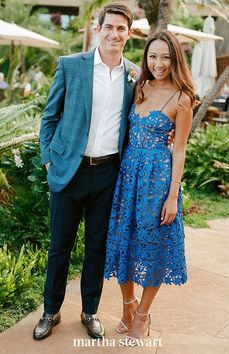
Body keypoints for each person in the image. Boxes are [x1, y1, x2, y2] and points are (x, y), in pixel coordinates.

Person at [33, 3, 173, 341]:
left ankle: (90, 311)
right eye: (109, 27)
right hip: (70, 170)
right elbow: (49, 118)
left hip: (109, 173)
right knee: (60, 246)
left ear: (129, 34)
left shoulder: (134, 76)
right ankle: (50, 311)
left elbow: (147, 112)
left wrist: (166, 132)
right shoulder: (71, 66)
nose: (114, 33)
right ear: (99, 29)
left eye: (121, 29)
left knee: (97, 246)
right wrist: (50, 161)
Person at [104, 30, 195, 346]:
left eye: (166, 57)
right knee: (123, 242)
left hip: (157, 179)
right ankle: (128, 305)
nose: (159, 63)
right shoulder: (138, 87)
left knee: (151, 246)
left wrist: (173, 195)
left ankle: (143, 315)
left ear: (175, 59)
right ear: (146, 58)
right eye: (153, 56)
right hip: (128, 176)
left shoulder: (182, 98)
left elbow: (180, 148)